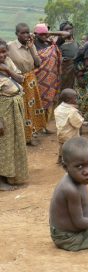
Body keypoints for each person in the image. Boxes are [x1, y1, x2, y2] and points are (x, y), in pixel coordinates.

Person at [8, 23, 46, 146]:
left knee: (31, 109)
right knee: (21, 109)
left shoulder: (31, 46)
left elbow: (38, 63)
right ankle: (21, 137)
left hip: (31, 80)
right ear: (16, 34)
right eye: (22, 33)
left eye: (27, 32)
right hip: (17, 81)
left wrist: (31, 48)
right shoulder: (10, 47)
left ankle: (30, 135)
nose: (25, 35)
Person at [0, 38, 28, 191]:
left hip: (13, 111)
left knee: (11, 144)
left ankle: (10, 176)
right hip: (2, 113)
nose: (2, 55)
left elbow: (21, 79)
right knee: (2, 145)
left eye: (4, 52)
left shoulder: (8, 63)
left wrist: (7, 71)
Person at [34, 23, 62, 129]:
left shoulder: (51, 44)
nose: (44, 36)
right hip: (38, 78)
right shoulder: (32, 45)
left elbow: (66, 34)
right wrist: (37, 33)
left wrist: (47, 32)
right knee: (37, 102)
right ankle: (36, 127)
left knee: (48, 102)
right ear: (36, 34)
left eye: (45, 34)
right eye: (41, 34)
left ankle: (45, 126)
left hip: (50, 80)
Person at [54, 88, 84, 165]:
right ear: (68, 99)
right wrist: (80, 116)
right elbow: (77, 122)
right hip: (70, 135)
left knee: (62, 146)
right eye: (75, 97)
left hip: (61, 133)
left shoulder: (58, 108)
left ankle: (59, 159)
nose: (76, 99)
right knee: (72, 148)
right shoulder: (72, 111)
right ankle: (67, 161)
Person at [57, 21, 79, 90]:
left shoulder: (77, 44)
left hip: (76, 75)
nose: (69, 31)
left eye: (70, 28)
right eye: (66, 29)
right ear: (61, 32)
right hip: (65, 76)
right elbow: (57, 59)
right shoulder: (60, 45)